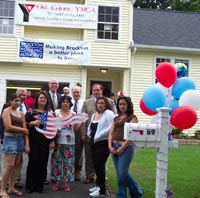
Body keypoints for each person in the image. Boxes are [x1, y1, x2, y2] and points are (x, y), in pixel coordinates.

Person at [108, 96, 143, 198]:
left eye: (124, 104)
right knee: (119, 174)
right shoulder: (116, 118)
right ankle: (121, 195)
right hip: (114, 146)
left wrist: (122, 148)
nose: (122, 106)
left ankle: (137, 191)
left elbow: (132, 135)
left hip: (126, 147)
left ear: (128, 105)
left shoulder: (133, 118)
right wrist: (110, 146)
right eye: (120, 104)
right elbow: (111, 133)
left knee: (123, 173)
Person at [81, 83, 115, 184]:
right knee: (89, 156)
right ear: (92, 91)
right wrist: (84, 133)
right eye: (94, 90)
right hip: (90, 134)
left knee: (101, 159)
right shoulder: (86, 103)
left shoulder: (110, 102)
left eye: (98, 90)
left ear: (101, 91)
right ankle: (89, 175)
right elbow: (84, 119)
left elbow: (114, 119)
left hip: (104, 136)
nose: (96, 92)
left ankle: (101, 177)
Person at [25, 91, 55, 194]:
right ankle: (30, 185)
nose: (43, 100)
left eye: (45, 98)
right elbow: (25, 126)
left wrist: (52, 141)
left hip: (45, 142)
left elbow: (53, 128)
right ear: (37, 99)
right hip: (33, 141)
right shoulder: (30, 112)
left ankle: (40, 185)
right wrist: (33, 122)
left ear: (47, 101)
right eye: (41, 98)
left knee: (43, 163)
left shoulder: (50, 113)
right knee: (33, 162)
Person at [0, 93, 29, 198]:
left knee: (17, 165)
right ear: (10, 101)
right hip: (10, 138)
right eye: (15, 100)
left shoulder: (21, 113)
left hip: (20, 139)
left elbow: (26, 130)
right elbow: (8, 126)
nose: (17, 102)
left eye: (19, 101)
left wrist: (27, 144)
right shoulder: (6, 111)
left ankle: (11, 187)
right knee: (9, 165)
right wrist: (23, 129)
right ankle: (2, 189)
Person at [51, 96, 80, 192]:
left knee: (68, 163)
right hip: (57, 141)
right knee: (56, 163)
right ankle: (57, 182)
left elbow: (76, 129)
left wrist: (82, 122)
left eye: (67, 102)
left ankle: (66, 183)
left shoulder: (73, 114)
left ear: (70, 103)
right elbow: (52, 126)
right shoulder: (56, 112)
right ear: (61, 103)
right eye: (63, 102)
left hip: (70, 142)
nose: (65, 103)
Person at [87, 96, 115, 197]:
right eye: (98, 103)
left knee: (100, 165)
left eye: (102, 103)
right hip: (93, 142)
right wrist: (89, 134)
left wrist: (99, 135)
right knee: (95, 165)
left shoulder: (109, 114)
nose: (100, 105)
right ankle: (98, 186)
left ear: (106, 104)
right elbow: (90, 126)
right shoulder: (95, 114)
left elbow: (111, 127)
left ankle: (102, 190)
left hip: (103, 143)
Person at [71, 85, 84, 181]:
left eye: (78, 92)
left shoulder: (84, 103)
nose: (76, 94)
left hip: (80, 129)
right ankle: (69, 170)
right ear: (72, 93)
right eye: (74, 92)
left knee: (78, 151)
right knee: (69, 149)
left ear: (81, 93)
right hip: (68, 129)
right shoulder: (67, 102)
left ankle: (77, 172)